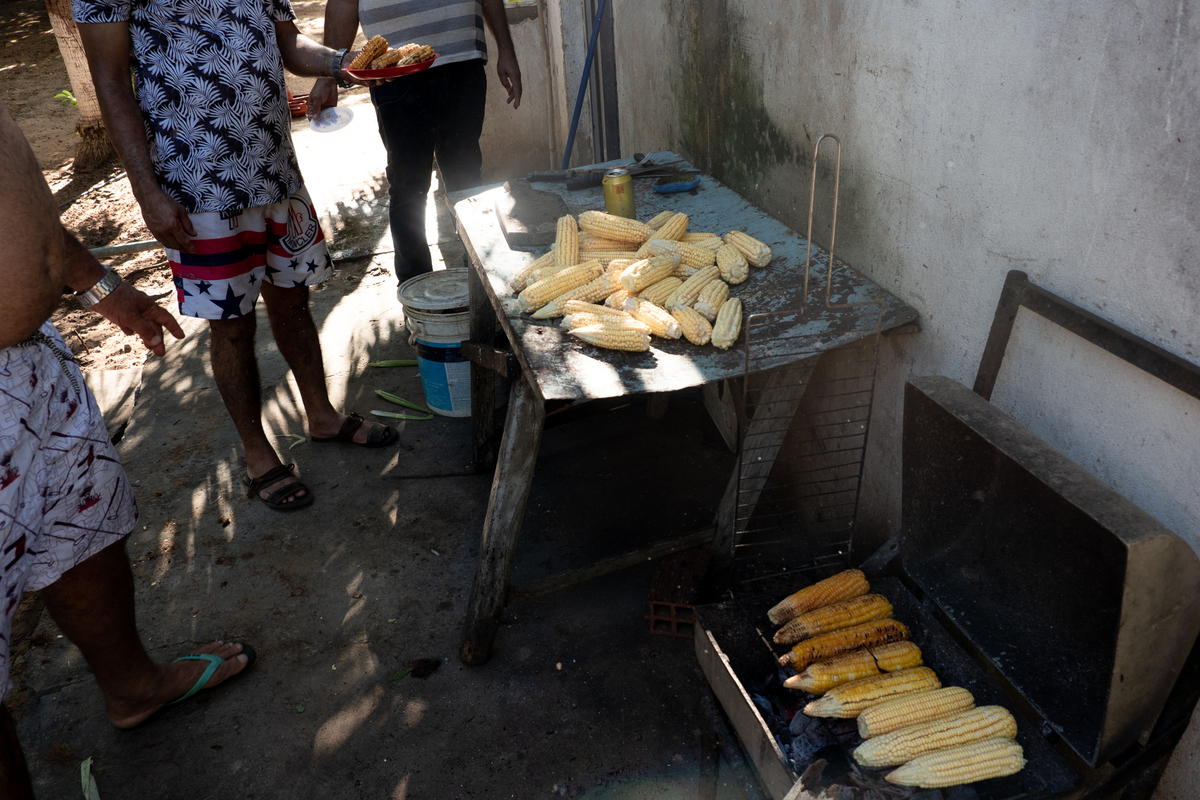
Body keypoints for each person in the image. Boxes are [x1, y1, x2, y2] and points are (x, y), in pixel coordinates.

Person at [0, 100, 255, 799]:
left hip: (28, 373)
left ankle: (133, 686)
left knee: (82, 536)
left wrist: (101, 286)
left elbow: (16, 197)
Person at [73, 0, 396, 512]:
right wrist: (146, 192)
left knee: (294, 300)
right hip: (197, 187)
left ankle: (322, 417)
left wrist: (346, 62)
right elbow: (110, 81)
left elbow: (289, 44)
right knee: (232, 323)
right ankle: (257, 455)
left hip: (275, 170)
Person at [309, 0, 523, 284]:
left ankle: (482, 283)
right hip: (396, 74)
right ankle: (416, 290)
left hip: (463, 60)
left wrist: (506, 49)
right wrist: (328, 76)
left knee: (467, 179)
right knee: (408, 185)